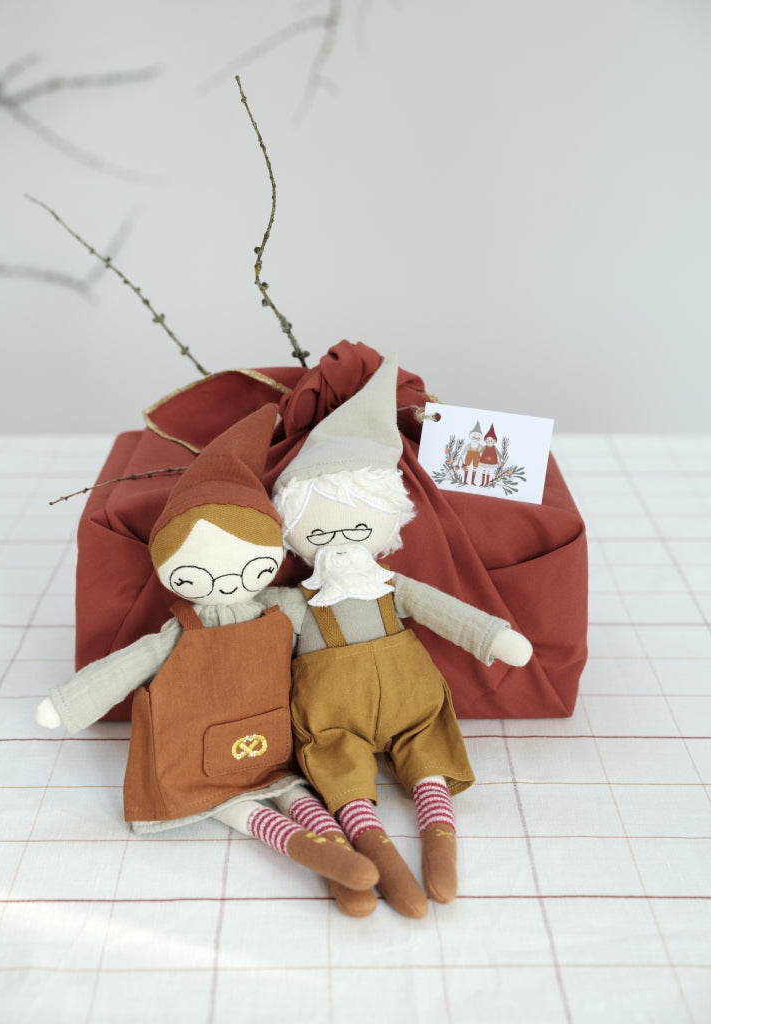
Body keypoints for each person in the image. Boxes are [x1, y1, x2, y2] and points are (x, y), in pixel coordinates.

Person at [34, 404, 378, 913]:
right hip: (196, 755)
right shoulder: (179, 631)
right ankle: (308, 849)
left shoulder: (283, 606)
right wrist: (68, 705)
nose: (226, 579)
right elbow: (124, 668)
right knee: (237, 803)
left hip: (272, 744)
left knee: (293, 790)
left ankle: (335, 849)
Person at [263, 357, 533, 918]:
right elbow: (254, 625)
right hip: (335, 718)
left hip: (411, 702)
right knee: (337, 759)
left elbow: (444, 611)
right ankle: (372, 846)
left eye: (360, 521)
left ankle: (439, 835)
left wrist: (493, 637)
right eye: (319, 524)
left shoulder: (392, 584)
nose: (341, 534)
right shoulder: (296, 600)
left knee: (425, 741)